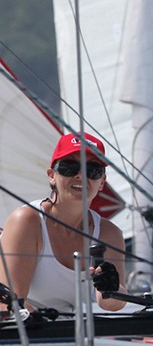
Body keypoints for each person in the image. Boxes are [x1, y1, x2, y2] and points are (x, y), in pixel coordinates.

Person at [0, 132, 127, 313]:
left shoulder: (110, 233)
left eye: (92, 170)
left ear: (102, 182)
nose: (81, 176)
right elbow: (7, 305)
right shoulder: (27, 221)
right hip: (31, 335)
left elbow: (112, 304)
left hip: (79, 335)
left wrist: (111, 287)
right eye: (69, 167)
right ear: (51, 175)